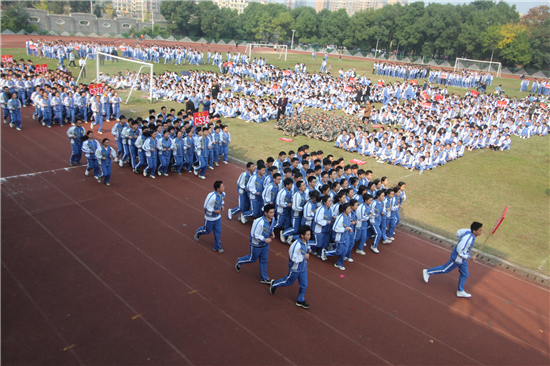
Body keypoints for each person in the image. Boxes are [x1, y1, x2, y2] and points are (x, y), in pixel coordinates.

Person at [423, 222, 483, 298]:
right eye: (480, 230)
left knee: (465, 274)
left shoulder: (468, 232)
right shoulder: (468, 239)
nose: (481, 232)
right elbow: (460, 250)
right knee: (445, 269)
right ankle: (428, 272)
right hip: (457, 258)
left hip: (462, 259)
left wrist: (460, 241)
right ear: (474, 231)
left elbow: (459, 233)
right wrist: (469, 257)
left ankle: (460, 291)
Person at [269, 225, 312, 309]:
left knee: (304, 284)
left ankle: (300, 300)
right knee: (288, 281)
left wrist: (308, 249)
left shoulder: (305, 241)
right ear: (302, 235)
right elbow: (293, 258)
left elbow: (307, 246)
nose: (309, 236)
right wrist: (304, 257)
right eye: (307, 234)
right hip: (295, 269)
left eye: (309, 234)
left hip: (303, 267)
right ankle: (274, 284)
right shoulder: (295, 245)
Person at [235, 204, 276, 284]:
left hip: (265, 245)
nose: (272, 214)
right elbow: (254, 234)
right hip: (256, 245)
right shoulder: (259, 222)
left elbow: (271, 227)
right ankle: (240, 261)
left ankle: (264, 277)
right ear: (265, 213)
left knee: (264, 260)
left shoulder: (273, 219)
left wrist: (272, 232)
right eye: (271, 212)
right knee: (252, 259)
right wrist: (264, 239)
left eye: (273, 212)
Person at [194, 180, 225, 253]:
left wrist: (222, 207)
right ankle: (198, 232)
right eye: (222, 187)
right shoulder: (212, 196)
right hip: (210, 218)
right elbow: (206, 206)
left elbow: (221, 201)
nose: (224, 188)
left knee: (218, 232)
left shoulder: (223, 194)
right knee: (207, 231)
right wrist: (214, 211)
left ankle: (217, 247)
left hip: (217, 218)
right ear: (217, 189)